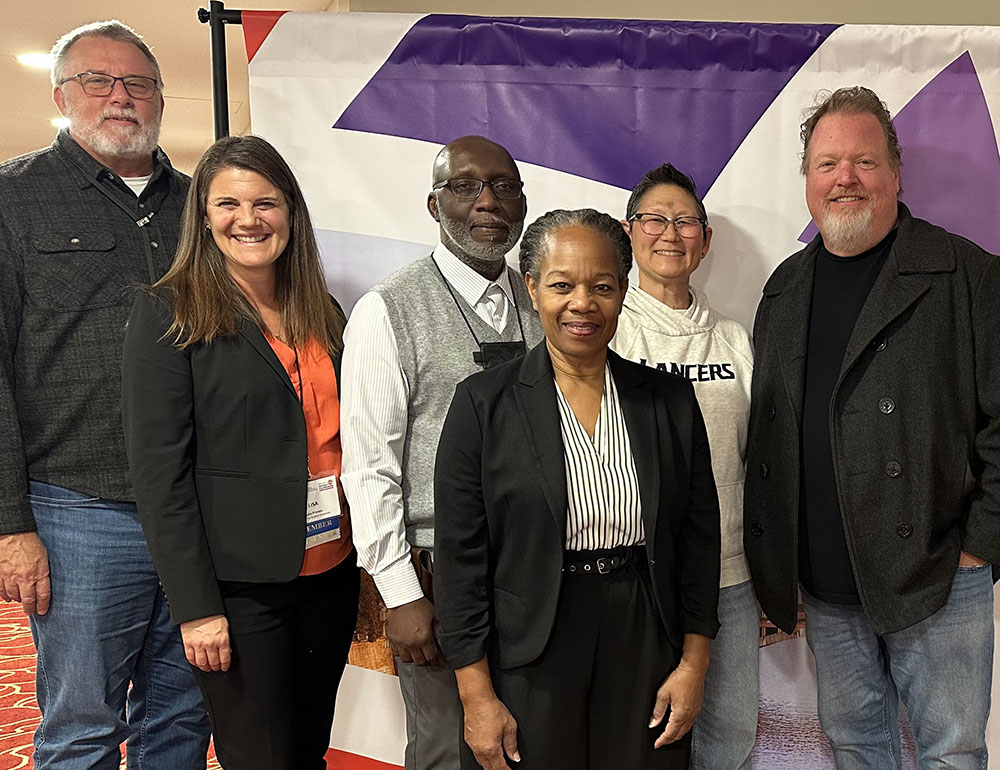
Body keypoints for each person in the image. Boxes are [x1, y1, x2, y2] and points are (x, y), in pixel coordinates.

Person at [744, 85, 1000, 769]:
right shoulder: (784, 288)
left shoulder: (967, 275)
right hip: (827, 585)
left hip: (938, 575)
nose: (845, 178)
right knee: (857, 746)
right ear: (807, 180)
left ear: (895, 173)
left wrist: (979, 548)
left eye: (864, 161)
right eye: (827, 164)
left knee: (951, 753)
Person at [434, 208, 722, 770]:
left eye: (603, 287)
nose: (582, 303)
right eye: (562, 285)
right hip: (530, 640)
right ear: (532, 288)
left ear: (623, 291)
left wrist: (694, 663)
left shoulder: (668, 400)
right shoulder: (483, 404)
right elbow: (459, 562)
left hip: (645, 629)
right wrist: (476, 696)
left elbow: (698, 539)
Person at [0, 21, 210, 769]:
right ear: (62, 96)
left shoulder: (202, 206)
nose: (120, 96)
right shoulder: (12, 199)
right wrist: (10, 525)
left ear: (160, 98)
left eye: (138, 83)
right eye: (97, 80)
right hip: (78, 510)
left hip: (197, 508)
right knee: (83, 729)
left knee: (182, 721)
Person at [122, 135, 360, 770]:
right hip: (241, 588)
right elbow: (160, 478)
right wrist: (197, 610)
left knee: (307, 750)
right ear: (203, 216)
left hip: (330, 572)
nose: (248, 219)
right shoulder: (168, 312)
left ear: (291, 212)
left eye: (265, 203)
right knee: (260, 758)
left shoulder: (322, 310)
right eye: (228, 203)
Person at [341, 135, 543, 769]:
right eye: (465, 186)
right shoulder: (387, 311)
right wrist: (400, 592)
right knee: (447, 751)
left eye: (504, 187)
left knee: (531, 743)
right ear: (435, 205)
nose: (488, 201)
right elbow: (369, 467)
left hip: (537, 571)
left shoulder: (543, 299)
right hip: (438, 574)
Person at [612, 163, 758, 770]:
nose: (670, 234)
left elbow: (756, 455)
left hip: (730, 575)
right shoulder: (607, 333)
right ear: (628, 232)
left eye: (686, 222)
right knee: (641, 738)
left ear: (705, 239)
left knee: (730, 739)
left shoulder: (733, 339)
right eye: (654, 220)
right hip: (641, 575)